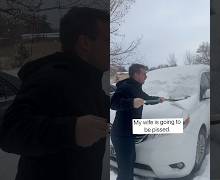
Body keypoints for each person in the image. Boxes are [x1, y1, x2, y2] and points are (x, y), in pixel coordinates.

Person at [0, 7, 109, 180]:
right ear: (85, 43)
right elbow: (8, 131)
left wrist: (165, 126)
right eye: (108, 40)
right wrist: (70, 131)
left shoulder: (92, 87)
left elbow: (115, 122)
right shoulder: (50, 78)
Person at [111, 64, 164, 180]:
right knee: (125, 170)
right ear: (136, 74)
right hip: (121, 135)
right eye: (144, 74)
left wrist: (158, 99)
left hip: (129, 133)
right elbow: (113, 103)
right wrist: (132, 103)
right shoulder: (125, 87)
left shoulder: (136, 88)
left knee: (130, 163)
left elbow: (146, 98)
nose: (146, 77)